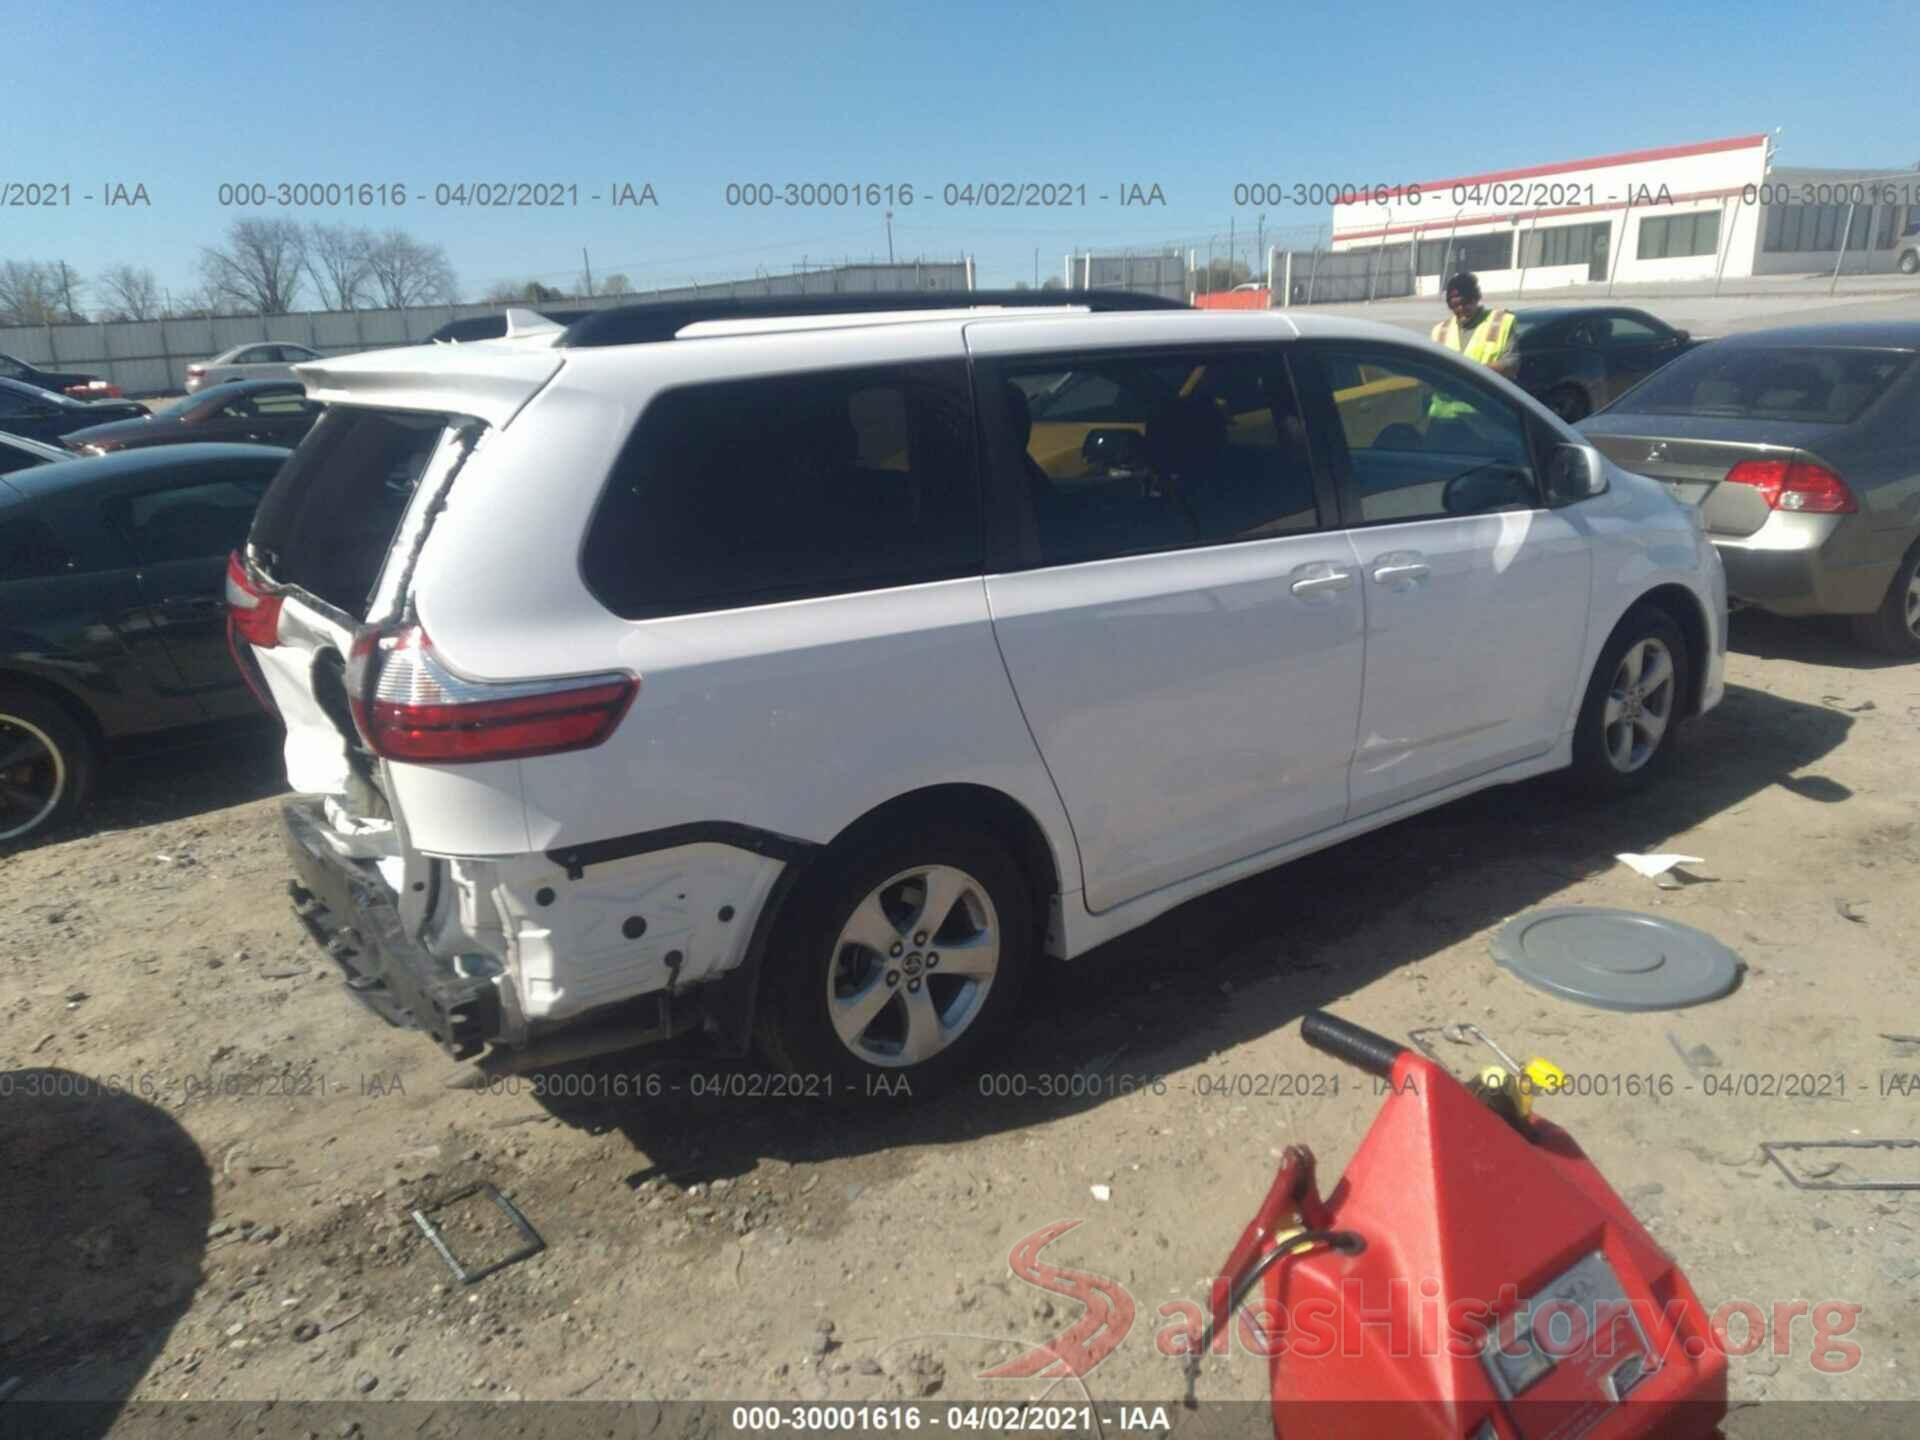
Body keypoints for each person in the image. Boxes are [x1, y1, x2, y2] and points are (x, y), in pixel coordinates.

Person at [1429, 272, 1518, 380]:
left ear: (1476, 298)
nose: (1460, 309)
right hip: (1445, 396)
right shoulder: (1439, 332)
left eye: (1465, 303)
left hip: (1481, 395)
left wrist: (1474, 374)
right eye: (1454, 305)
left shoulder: (1501, 322)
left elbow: (1512, 364)